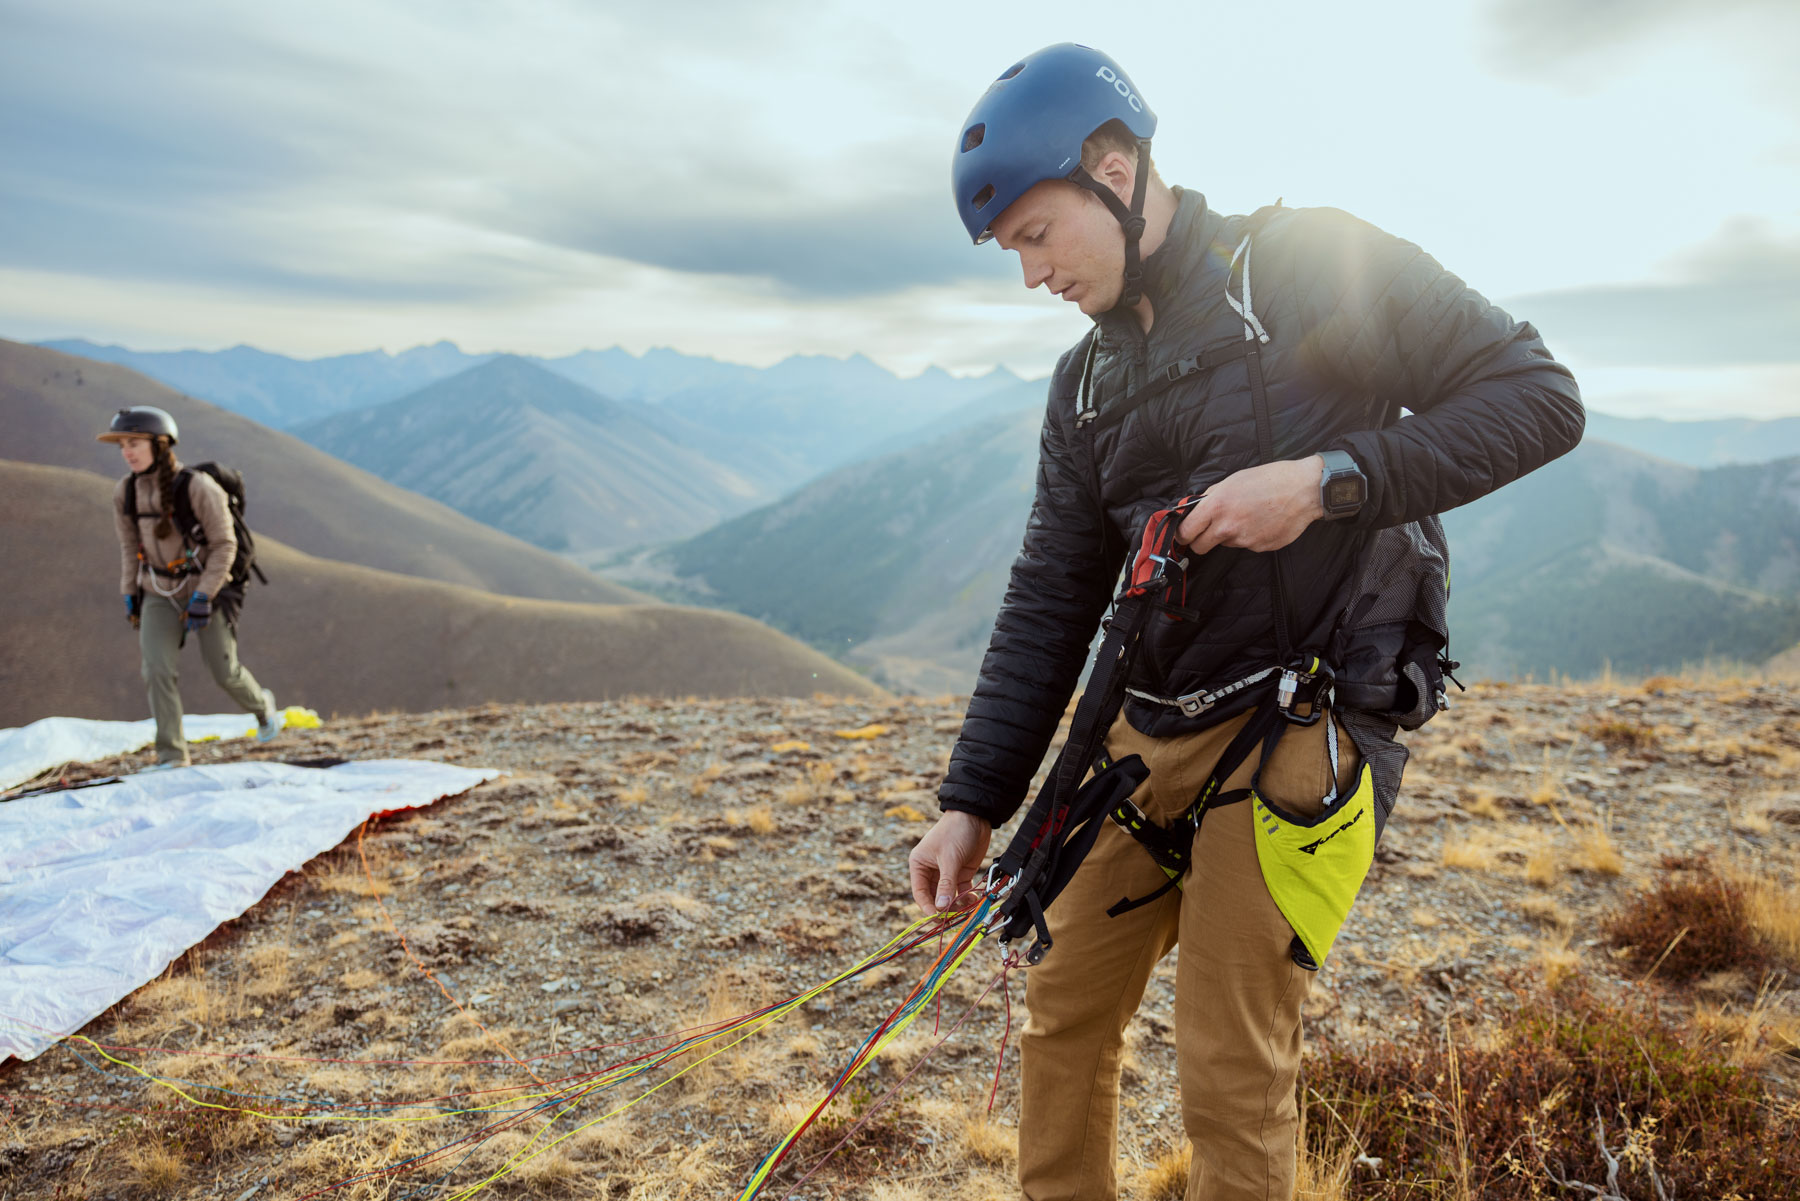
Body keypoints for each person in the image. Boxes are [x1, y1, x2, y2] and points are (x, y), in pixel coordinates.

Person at [908, 44, 1583, 1201]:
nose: (1030, 276)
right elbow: (1051, 597)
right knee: (1061, 1019)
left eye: (1035, 234)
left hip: (1299, 727)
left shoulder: (1310, 266)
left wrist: (1327, 479)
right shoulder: (1082, 388)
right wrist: (972, 803)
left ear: (1115, 169)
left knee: (1228, 1063)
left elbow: (1539, 400)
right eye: (1011, 250)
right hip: (1138, 737)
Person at [103, 406, 281, 770]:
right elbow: (128, 547)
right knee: (157, 670)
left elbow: (225, 545)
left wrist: (204, 595)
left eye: (134, 442)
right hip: (157, 590)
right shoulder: (126, 491)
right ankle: (172, 755)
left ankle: (263, 708)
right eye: (122, 444)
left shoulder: (198, 487)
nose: (127, 452)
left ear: (160, 443)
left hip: (208, 589)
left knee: (223, 670)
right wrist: (130, 593)